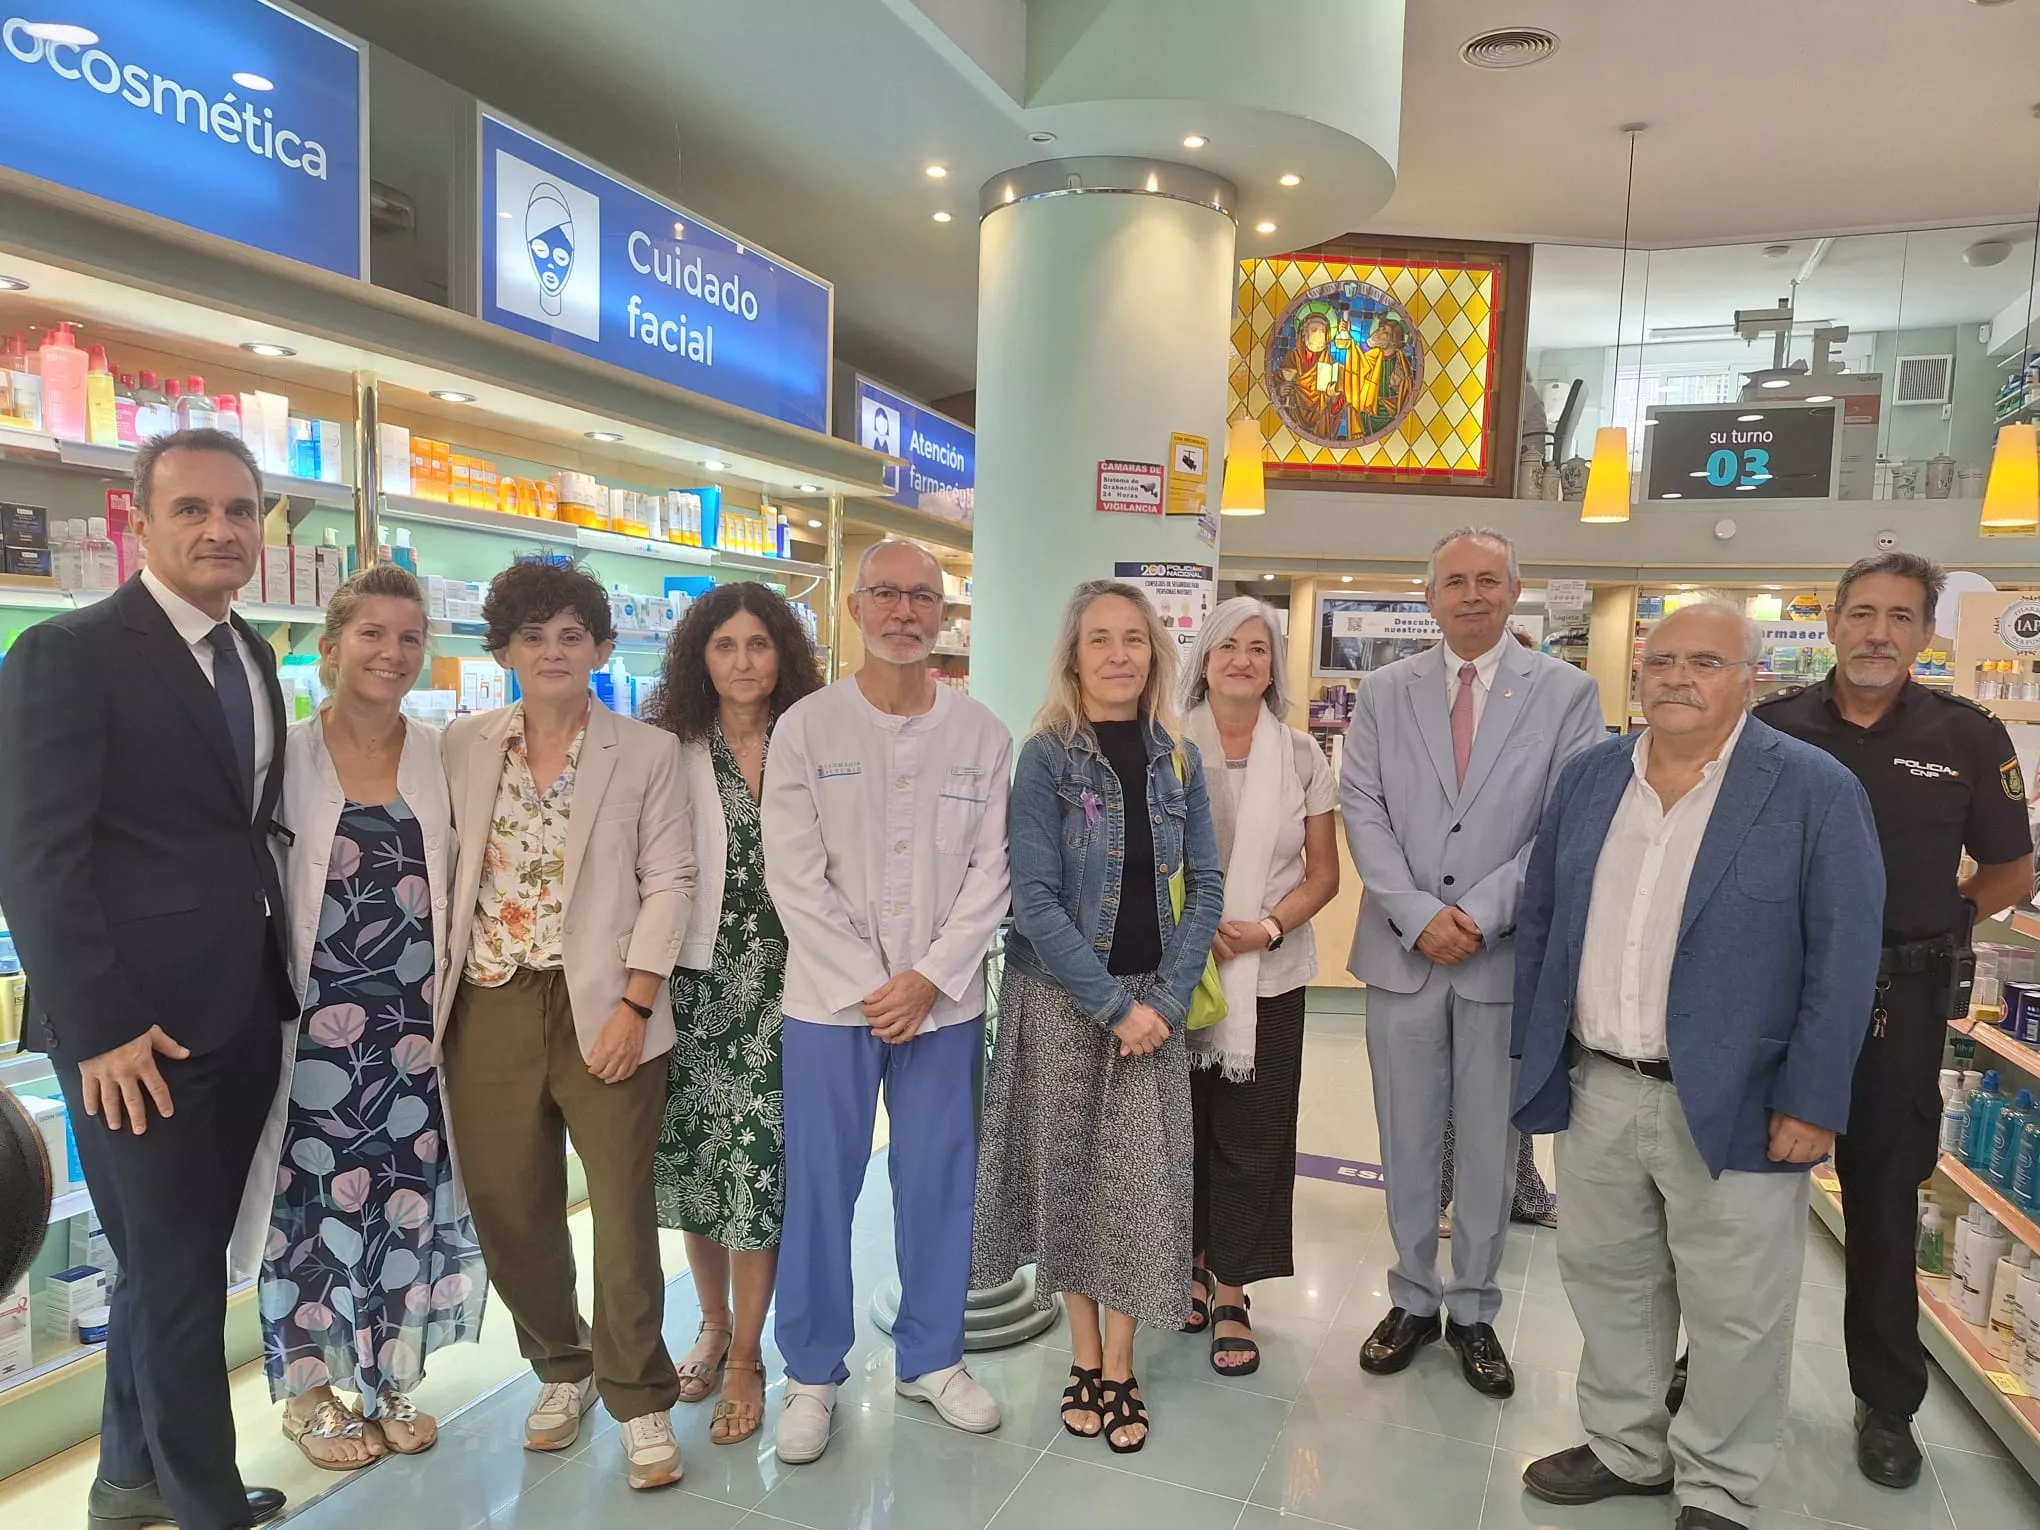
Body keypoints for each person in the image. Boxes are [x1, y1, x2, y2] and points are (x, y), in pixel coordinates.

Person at [1513, 601, 1884, 1530]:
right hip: (1602, 1081)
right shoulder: (1593, 776)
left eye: (1706, 663)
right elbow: (1547, 923)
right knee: (1610, 1281)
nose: (1678, 678)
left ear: (1749, 677)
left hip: (1743, 1101)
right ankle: (1627, 1448)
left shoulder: (1813, 789)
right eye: (1662, 660)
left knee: (1738, 1307)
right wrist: (1537, 1054)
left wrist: (1814, 1097)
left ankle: (1719, 1481)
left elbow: (1845, 957)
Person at [0, 429, 292, 1530]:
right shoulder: (65, 654)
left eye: (241, 510)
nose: (222, 530)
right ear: (139, 521)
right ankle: (206, 1505)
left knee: (172, 1268)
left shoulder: (250, 652)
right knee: (173, 1276)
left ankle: (129, 1481)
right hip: (136, 1039)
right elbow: (34, 858)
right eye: (194, 510)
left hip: (239, 1009)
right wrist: (106, 1024)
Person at [1753, 553, 2034, 1489]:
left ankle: (1886, 1403)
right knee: (1740, 1200)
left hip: (1897, 999)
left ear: (1925, 633)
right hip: (1777, 996)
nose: (1878, 632)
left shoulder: (1968, 735)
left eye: (1900, 618)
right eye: (1863, 613)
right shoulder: (1772, 725)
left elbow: (2008, 871)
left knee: (1880, 1200)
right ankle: (1706, 1367)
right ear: (1831, 622)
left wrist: (1932, 920)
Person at [437, 561, 696, 1490]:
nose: (553, 651)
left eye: (571, 635)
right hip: (490, 1001)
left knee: (624, 1212)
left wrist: (636, 1002)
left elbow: (671, 879)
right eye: (533, 636)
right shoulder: (462, 744)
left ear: (600, 646)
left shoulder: (645, 750)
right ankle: (563, 1364)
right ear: (502, 648)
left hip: (607, 1007)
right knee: (510, 1207)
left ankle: (639, 1396)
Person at [228, 565, 487, 1468]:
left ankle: (385, 1382)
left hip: (412, 1039)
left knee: (397, 1208)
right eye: (371, 635)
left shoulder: (442, 754)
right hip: (309, 1033)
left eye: (409, 637)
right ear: (331, 646)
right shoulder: (281, 756)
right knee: (305, 1209)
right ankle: (309, 1394)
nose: (391, 653)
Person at [762, 539, 1013, 1465]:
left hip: (942, 1005)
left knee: (940, 1178)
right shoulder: (808, 729)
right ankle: (814, 1375)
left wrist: (929, 979)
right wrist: (878, 986)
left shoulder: (981, 733)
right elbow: (793, 873)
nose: (906, 610)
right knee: (822, 1183)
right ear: (856, 609)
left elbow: (994, 876)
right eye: (887, 594)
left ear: (942, 613)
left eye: (923, 596)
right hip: (832, 1005)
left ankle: (932, 1358)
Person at [1340, 527, 1602, 1400]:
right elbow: (1362, 808)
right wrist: (1419, 917)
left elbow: (1563, 821)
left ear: (1515, 590)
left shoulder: (1567, 694)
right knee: (1404, 1135)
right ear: (1429, 597)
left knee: (1492, 1143)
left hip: (1502, 958)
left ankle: (1476, 1309)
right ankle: (1414, 1296)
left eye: (1489, 580)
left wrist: (1479, 915)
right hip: (1402, 954)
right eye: (1454, 581)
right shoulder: (1382, 692)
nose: (1472, 595)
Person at [973, 581, 1224, 1450]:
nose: (1120, 654)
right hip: (1061, 1003)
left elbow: (1208, 890)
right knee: (1069, 1183)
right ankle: (1083, 1357)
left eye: (1134, 639)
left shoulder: (1176, 757)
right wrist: (1115, 1007)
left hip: (1153, 1005)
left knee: (1137, 1190)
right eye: (1100, 640)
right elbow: (1034, 901)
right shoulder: (1045, 758)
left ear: (1155, 653)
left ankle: (1122, 1365)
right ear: (1073, 657)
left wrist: (1158, 1002)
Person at [642, 581, 824, 1448]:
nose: (744, 662)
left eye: (759, 644)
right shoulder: (668, 746)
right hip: (696, 983)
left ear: (783, 653)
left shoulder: (814, 738)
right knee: (698, 1168)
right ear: (700, 658)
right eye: (726, 646)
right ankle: (710, 1324)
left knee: (761, 1168)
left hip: (793, 985)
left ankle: (748, 1354)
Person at [1173, 597, 1339, 1374]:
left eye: (1258, 649)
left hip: (1270, 974)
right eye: (1227, 647)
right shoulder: (1164, 744)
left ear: (1273, 668)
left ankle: (1233, 1287)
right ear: (1203, 659)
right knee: (1181, 1131)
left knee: (1252, 1134)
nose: (1242, 660)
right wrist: (1190, 933)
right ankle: (1189, 1262)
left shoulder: (1302, 755)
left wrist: (1266, 928)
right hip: (1175, 973)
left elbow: (1324, 875)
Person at [1440, 623, 1560, 1237]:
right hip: (1430, 941)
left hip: (1513, 942)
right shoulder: (1421, 704)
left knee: (1503, 1088)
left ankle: (1515, 1194)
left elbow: (1553, 834)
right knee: (1446, 1091)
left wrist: (1483, 912)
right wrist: (1433, 916)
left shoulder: (1560, 707)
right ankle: (1445, 1193)